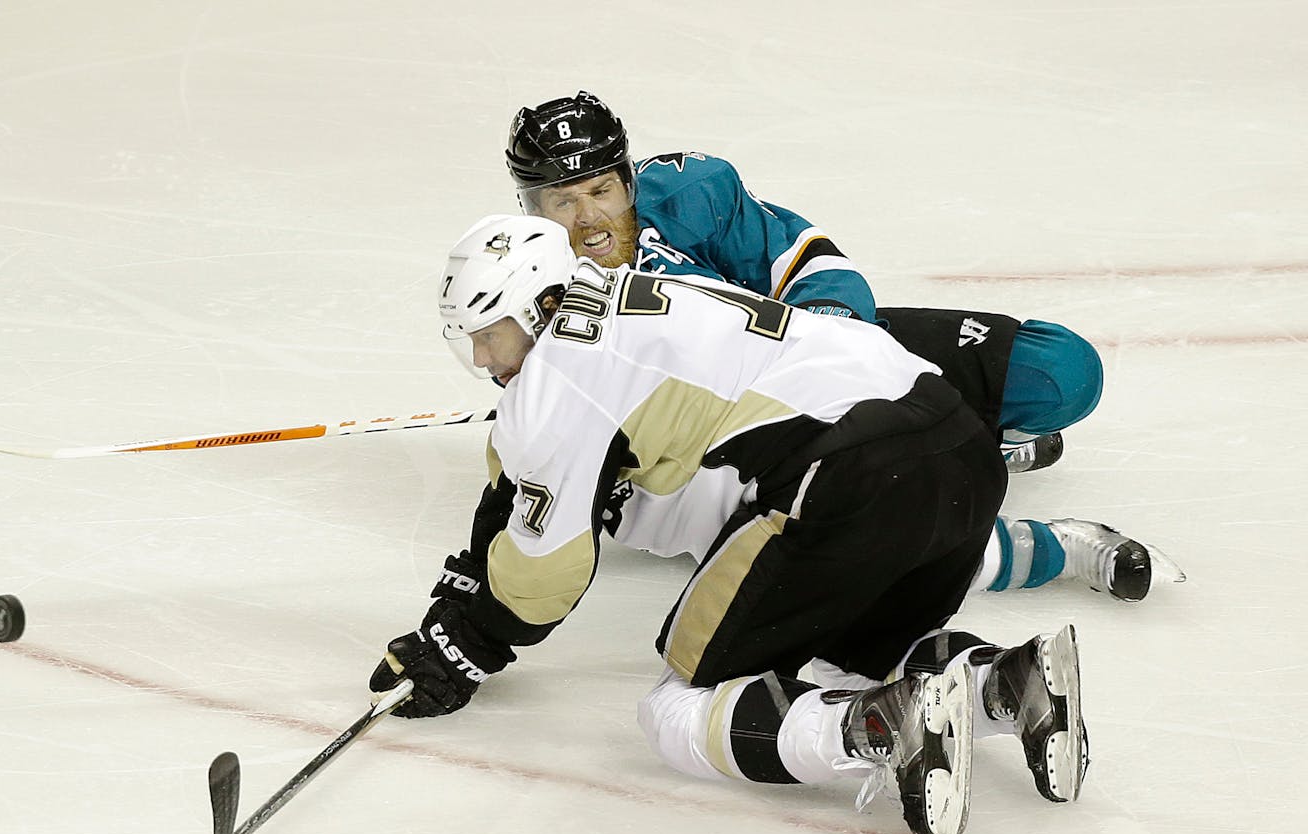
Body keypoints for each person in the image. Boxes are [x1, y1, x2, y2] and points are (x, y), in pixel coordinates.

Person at [370, 214, 1089, 834]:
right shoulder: (637, 293)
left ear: (544, 305)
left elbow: (543, 576)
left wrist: (463, 643)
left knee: (678, 708)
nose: (485, 361)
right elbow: (523, 486)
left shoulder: (559, 375)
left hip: (853, 468)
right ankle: (1012, 683)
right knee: (850, 662)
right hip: (961, 445)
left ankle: (883, 726)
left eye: (493, 335)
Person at [500, 91, 1182, 603]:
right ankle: (1046, 543)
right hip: (744, 452)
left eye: (600, 190)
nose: (588, 219)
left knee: (1063, 372)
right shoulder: (519, 294)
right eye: (562, 202)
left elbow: (805, 261)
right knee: (869, 534)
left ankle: (972, 443)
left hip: (826, 357)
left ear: (626, 178)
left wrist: (834, 340)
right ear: (529, 207)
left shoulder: (687, 191)